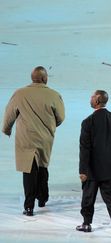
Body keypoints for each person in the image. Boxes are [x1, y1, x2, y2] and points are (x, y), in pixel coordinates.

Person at [2, 66, 65, 216]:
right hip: (45, 137)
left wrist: (6, 129)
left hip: (26, 138)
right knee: (43, 166)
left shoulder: (20, 93)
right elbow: (61, 117)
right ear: (45, 78)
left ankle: (29, 206)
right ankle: (42, 198)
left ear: (32, 78)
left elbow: (9, 113)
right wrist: (50, 125)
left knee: (29, 170)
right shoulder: (54, 95)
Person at [76, 90, 111, 238]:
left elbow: (85, 148)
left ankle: (86, 223)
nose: (90, 98)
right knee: (109, 195)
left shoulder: (87, 122)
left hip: (92, 169)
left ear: (97, 100)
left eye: (92, 96)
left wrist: (83, 170)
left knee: (88, 196)